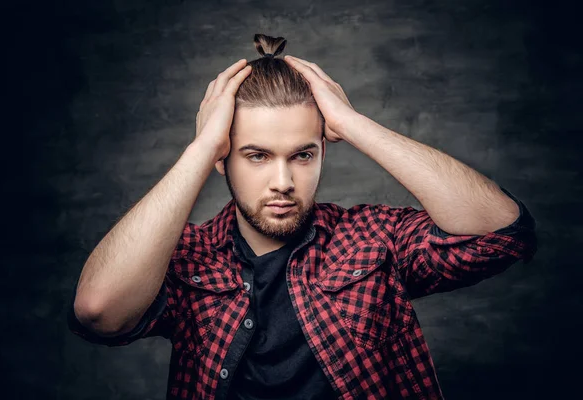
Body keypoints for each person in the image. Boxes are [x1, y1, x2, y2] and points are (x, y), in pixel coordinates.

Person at [68, 34, 538, 400]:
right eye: (255, 156)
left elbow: (501, 233)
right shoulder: (189, 258)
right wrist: (199, 149)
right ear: (222, 157)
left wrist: (352, 123)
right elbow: (98, 312)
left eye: (302, 155)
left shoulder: (371, 239)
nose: (283, 181)